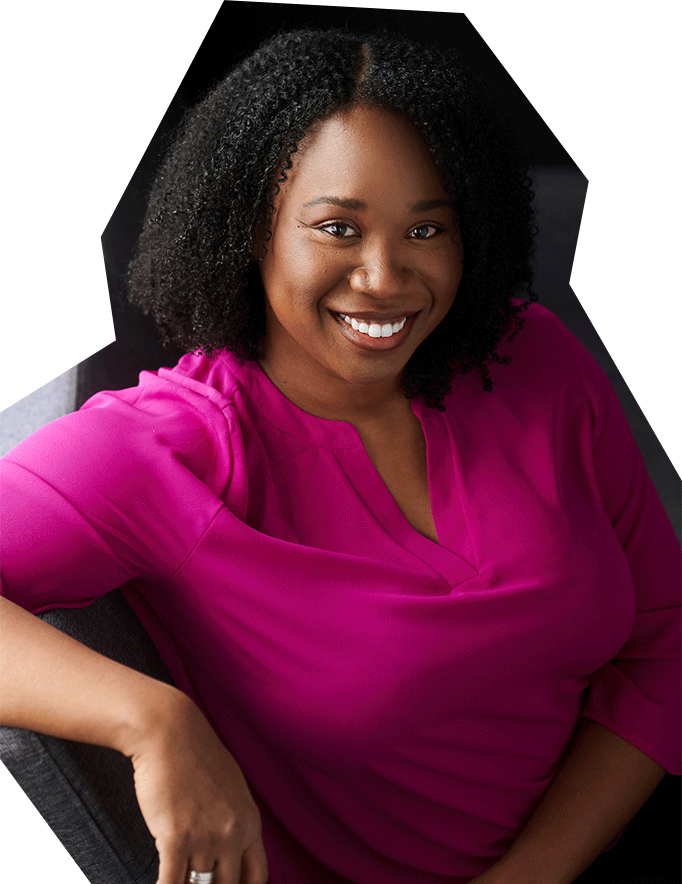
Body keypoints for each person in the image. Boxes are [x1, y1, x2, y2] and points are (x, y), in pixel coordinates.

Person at [1, 27, 679, 884]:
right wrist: (149, 718)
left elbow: (666, 643)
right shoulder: (171, 450)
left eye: (427, 229)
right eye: (337, 229)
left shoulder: (530, 357)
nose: (386, 276)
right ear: (252, 230)